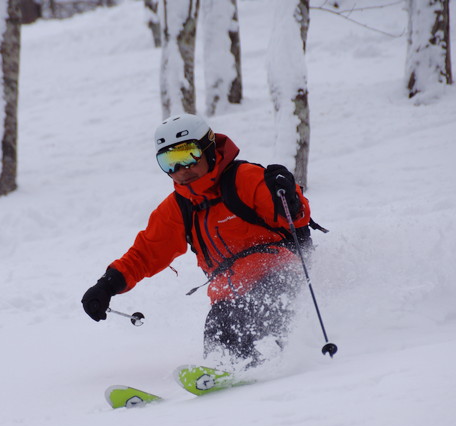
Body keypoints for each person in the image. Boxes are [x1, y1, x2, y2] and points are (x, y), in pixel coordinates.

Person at [81, 113, 315, 369]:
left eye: (189, 155)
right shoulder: (179, 208)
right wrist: (106, 287)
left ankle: (280, 362)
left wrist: (288, 195)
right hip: (228, 295)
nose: (182, 169)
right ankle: (224, 373)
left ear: (209, 149)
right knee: (219, 324)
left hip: (281, 276)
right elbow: (146, 253)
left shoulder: (245, 178)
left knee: (256, 309)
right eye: (170, 161)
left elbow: (297, 218)